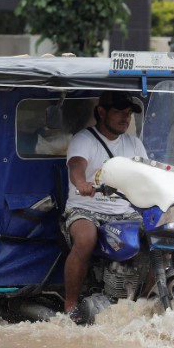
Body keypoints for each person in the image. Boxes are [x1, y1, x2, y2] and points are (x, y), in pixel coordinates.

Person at [62, 91, 147, 319]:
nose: (125, 118)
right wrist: (82, 183)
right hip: (84, 209)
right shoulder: (85, 139)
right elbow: (76, 168)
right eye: (119, 112)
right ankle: (70, 306)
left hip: (124, 211)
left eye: (128, 113)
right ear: (101, 112)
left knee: (157, 236)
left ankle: (146, 302)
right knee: (86, 238)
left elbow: (148, 174)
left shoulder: (134, 144)